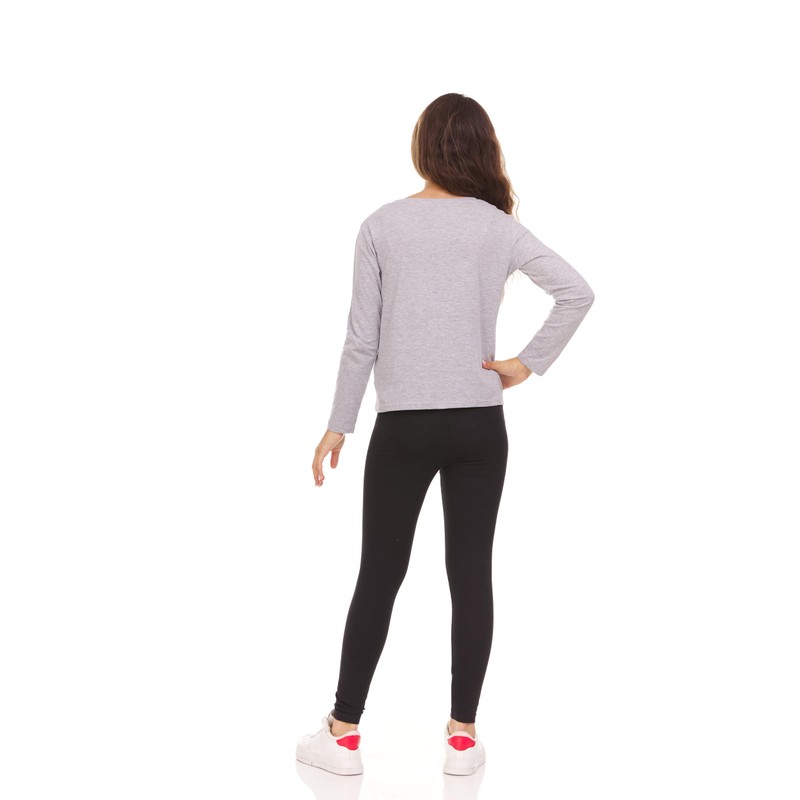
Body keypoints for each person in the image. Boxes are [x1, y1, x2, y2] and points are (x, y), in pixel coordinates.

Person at [296, 92, 595, 777]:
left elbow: (360, 340)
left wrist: (339, 424)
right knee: (471, 575)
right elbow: (576, 291)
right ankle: (462, 739)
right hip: (479, 427)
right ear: (482, 148)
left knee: (379, 574)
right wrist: (524, 364)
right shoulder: (497, 227)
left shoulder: (382, 225)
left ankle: (343, 734)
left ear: (423, 146)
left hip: (403, 428)